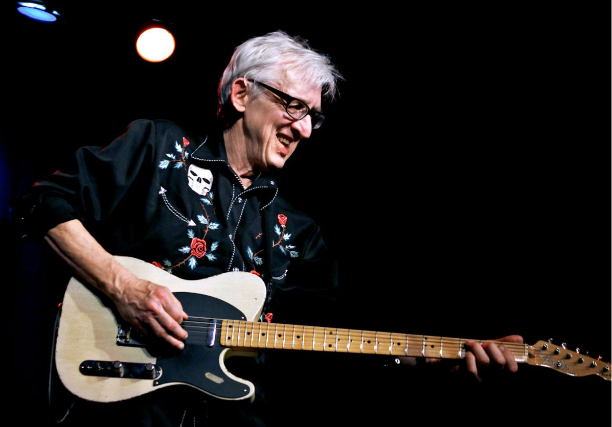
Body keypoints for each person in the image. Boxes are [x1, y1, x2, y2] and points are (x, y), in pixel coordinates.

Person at [17, 31, 523, 426]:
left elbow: (343, 346)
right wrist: (123, 288)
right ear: (242, 93)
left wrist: (441, 360)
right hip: (121, 411)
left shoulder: (300, 232)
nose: (304, 128)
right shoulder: (158, 148)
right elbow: (42, 202)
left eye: (313, 117)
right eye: (294, 106)